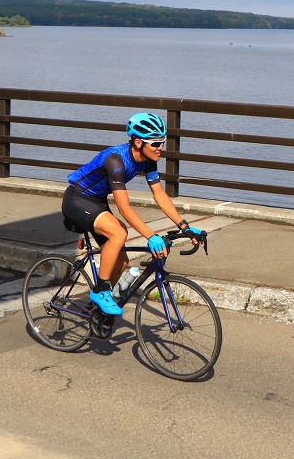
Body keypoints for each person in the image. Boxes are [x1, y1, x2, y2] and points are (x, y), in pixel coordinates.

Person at [63, 112, 201, 316]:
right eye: (155, 143)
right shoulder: (116, 161)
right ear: (138, 142)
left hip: (97, 202)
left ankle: (97, 312)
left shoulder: (148, 160)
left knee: (122, 261)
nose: (160, 147)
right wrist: (151, 236)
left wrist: (184, 226)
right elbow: (124, 208)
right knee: (119, 233)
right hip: (77, 199)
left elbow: (159, 194)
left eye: (162, 142)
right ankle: (100, 291)